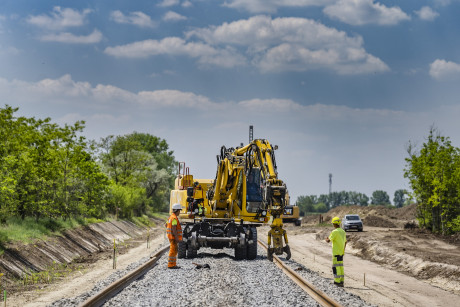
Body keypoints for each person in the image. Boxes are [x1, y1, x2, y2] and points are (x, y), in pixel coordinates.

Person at [325, 216, 347, 286]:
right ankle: (341, 281)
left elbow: (328, 240)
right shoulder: (343, 231)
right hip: (341, 252)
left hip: (336, 253)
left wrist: (326, 239)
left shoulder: (335, 232)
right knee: (340, 267)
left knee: (336, 267)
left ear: (334, 224)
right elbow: (345, 242)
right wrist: (343, 250)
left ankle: (337, 282)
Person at [166, 203, 183, 269]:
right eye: (179, 211)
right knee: (173, 250)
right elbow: (174, 228)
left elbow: (166, 225)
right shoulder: (174, 218)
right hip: (173, 237)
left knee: (174, 250)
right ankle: (171, 265)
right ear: (177, 210)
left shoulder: (171, 217)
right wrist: (176, 238)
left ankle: (173, 264)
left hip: (170, 236)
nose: (179, 212)